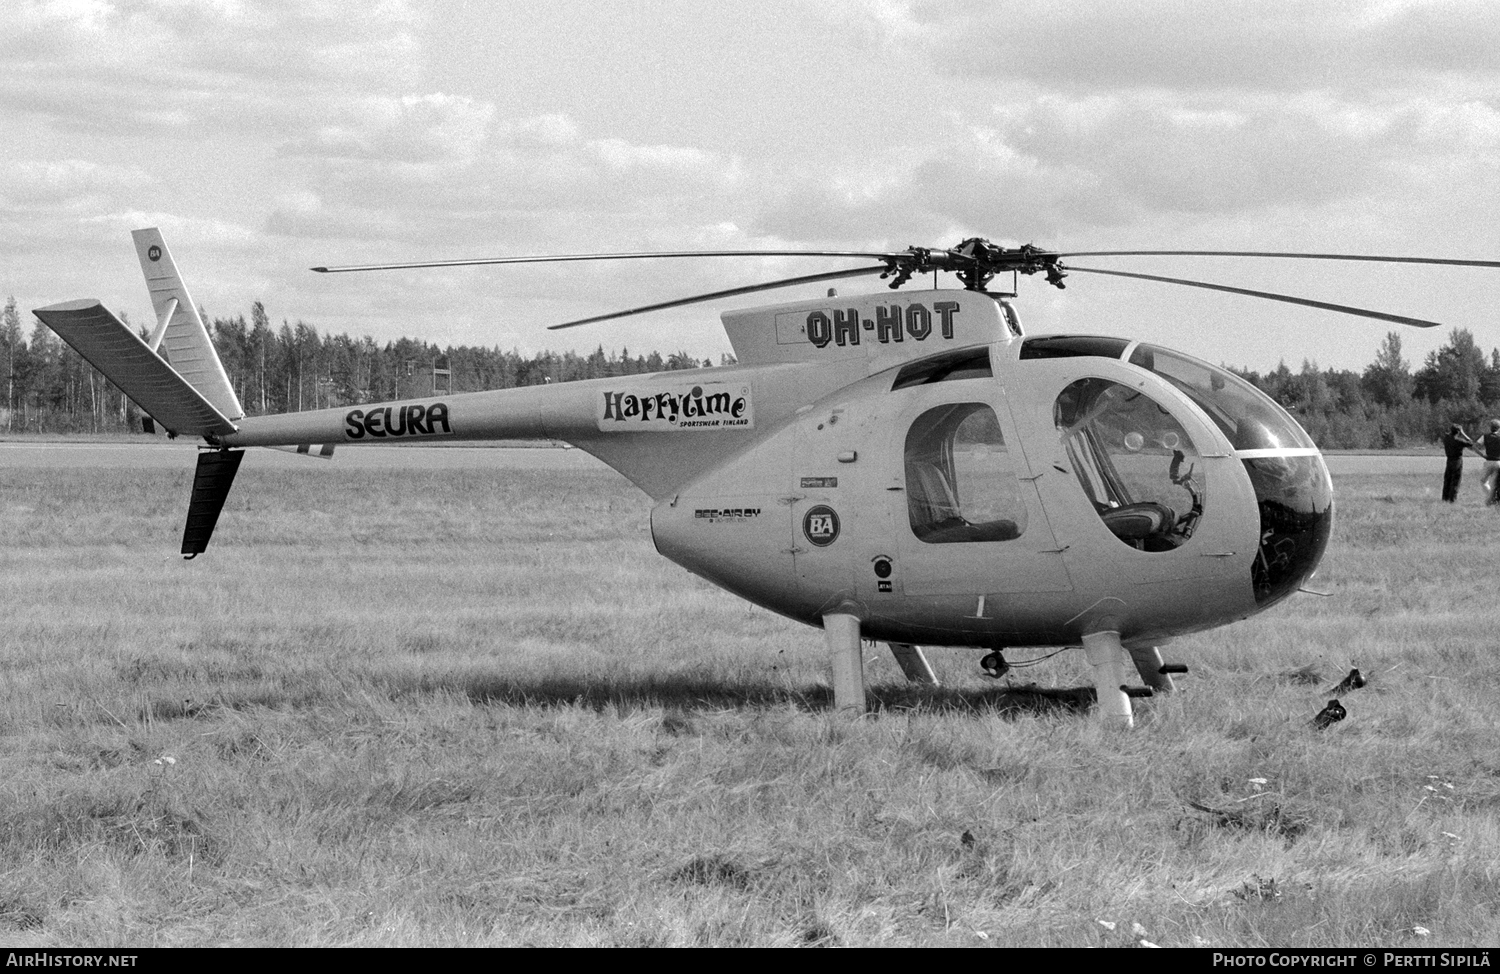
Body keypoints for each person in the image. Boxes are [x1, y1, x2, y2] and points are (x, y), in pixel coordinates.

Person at [1441, 423, 1474, 502]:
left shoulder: (1446, 438)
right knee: (1455, 480)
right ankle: (1452, 499)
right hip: (1457, 461)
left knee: (1447, 479)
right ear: (1458, 432)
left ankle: (1445, 498)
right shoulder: (1459, 441)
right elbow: (1471, 443)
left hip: (1449, 460)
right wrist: (1463, 433)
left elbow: (1448, 435)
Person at [1477, 420, 1500, 506]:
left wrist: (1482, 455)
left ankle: (1491, 497)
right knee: (1497, 483)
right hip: (1498, 461)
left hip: (1489, 461)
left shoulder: (1485, 436)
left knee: (1483, 481)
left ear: (1490, 427)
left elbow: (1475, 446)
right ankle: (1496, 498)